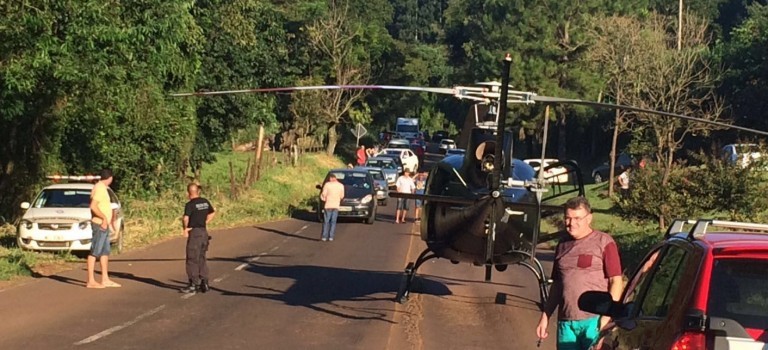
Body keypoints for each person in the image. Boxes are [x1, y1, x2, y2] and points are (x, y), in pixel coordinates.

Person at [536, 196, 623, 350]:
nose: (571, 223)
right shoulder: (562, 245)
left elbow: (616, 281)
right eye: (568, 218)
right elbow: (557, 284)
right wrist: (545, 316)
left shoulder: (604, 242)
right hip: (566, 323)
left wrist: (606, 318)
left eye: (577, 218)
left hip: (594, 321)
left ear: (589, 218)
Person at [86, 169, 121, 289]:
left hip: (104, 225)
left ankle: (105, 279)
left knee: (105, 252)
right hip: (99, 224)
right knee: (94, 251)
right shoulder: (99, 189)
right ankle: (91, 280)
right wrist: (104, 219)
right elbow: (93, 206)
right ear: (110, 178)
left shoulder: (102, 188)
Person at [180, 183, 216, 294]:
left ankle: (193, 283)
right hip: (204, 232)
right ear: (198, 191)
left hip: (194, 232)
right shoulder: (205, 202)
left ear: (188, 193)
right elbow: (213, 212)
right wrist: (205, 221)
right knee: (201, 257)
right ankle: (204, 282)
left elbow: (186, 218)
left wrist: (185, 228)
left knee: (192, 259)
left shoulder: (190, 205)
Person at [320, 174, 344, 241]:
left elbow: (323, 194)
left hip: (328, 205)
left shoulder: (327, 185)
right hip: (336, 205)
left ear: (331, 178)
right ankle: (331, 237)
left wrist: (324, 199)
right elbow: (342, 196)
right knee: (333, 221)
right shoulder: (340, 185)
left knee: (326, 221)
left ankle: (324, 236)